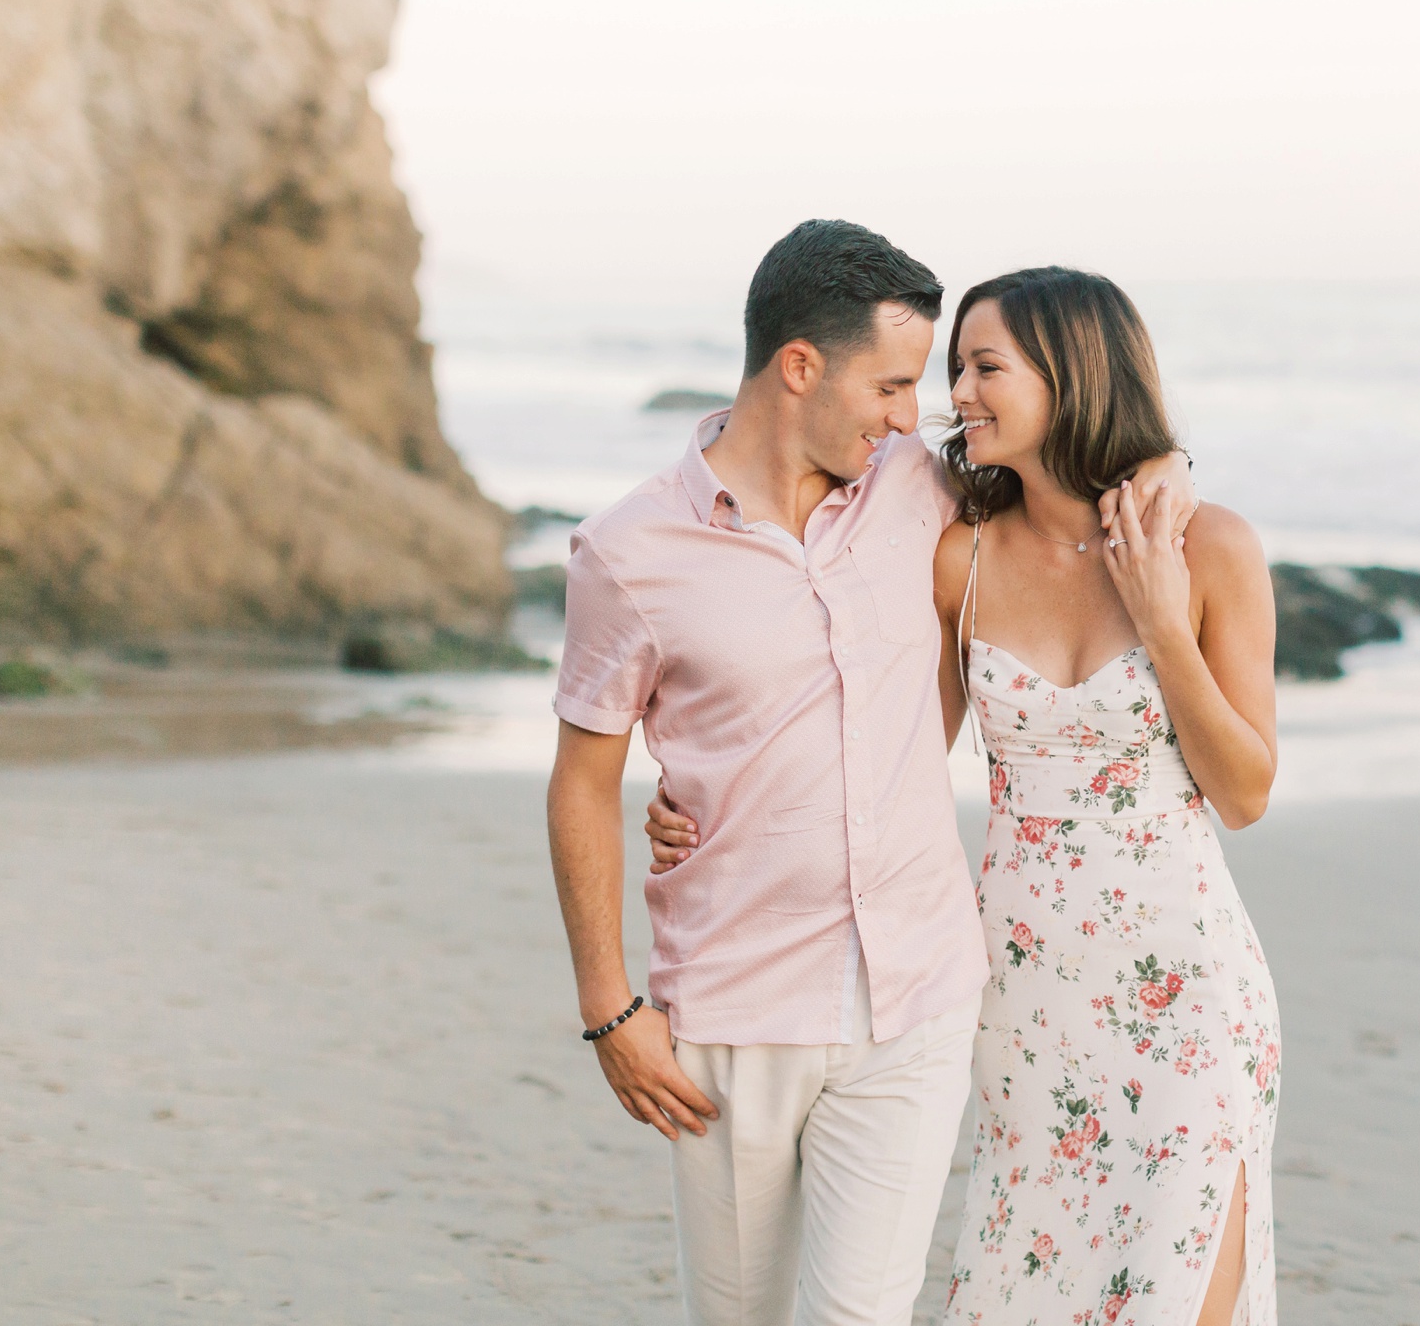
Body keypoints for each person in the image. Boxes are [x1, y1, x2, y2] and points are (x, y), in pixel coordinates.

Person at [547, 221, 1189, 1326]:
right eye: (891, 384)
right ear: (799, 367)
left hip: (917, 998)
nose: (912, 414)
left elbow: (1070, 462)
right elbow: (576, 782)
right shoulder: (628, 552)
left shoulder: (921, 489)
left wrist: (1166, 466)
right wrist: (610, 1008)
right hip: (734, 1008)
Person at [933, 268, 1281, 1326]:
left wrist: (1159, 620)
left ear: (1072, 373)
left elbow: (1244, 790)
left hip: (1185, 999)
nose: (957, 393)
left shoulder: (1208, 545)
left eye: (985, 366)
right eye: (956, 368)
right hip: (1025, 1000)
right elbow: (896, 764)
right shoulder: (959, 556)